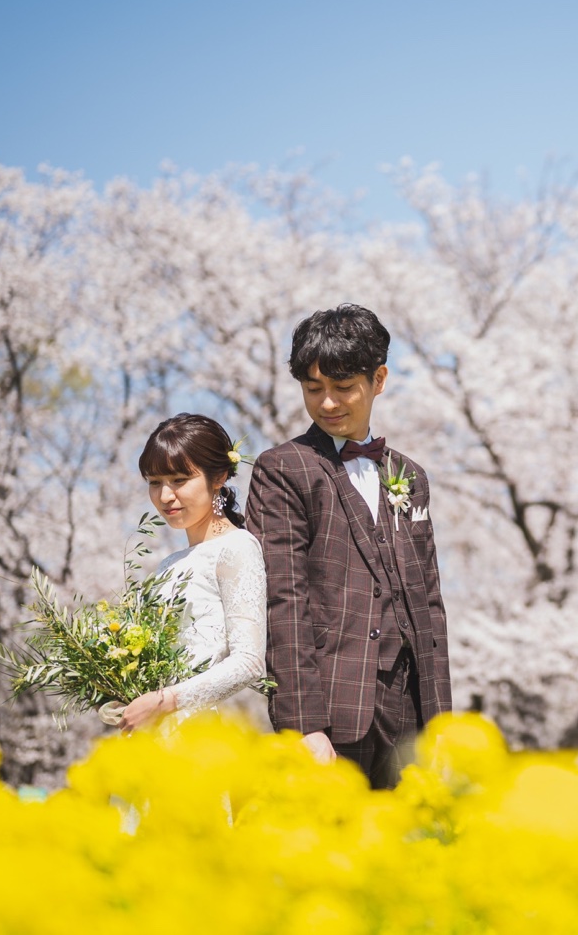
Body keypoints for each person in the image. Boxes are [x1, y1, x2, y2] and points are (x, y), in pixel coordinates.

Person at [247, 304, 451, 788]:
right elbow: (283, 600)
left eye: (343, 388)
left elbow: (429, 605)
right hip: (332, 713)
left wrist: (442, 726)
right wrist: (303, 725)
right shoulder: (283, 470)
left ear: (379, 379)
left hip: (410, 715)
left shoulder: (411, 477)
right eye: (313, 389)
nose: (328, 403)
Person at [116, 414, 268, 733]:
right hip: (158, 735)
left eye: (179, 480)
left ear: (219, 477)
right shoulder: (167, 564)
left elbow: (249, 662)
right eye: (154, 482)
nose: (165, 496)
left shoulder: (237, 548)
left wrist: (163, 700)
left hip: (205, 735)